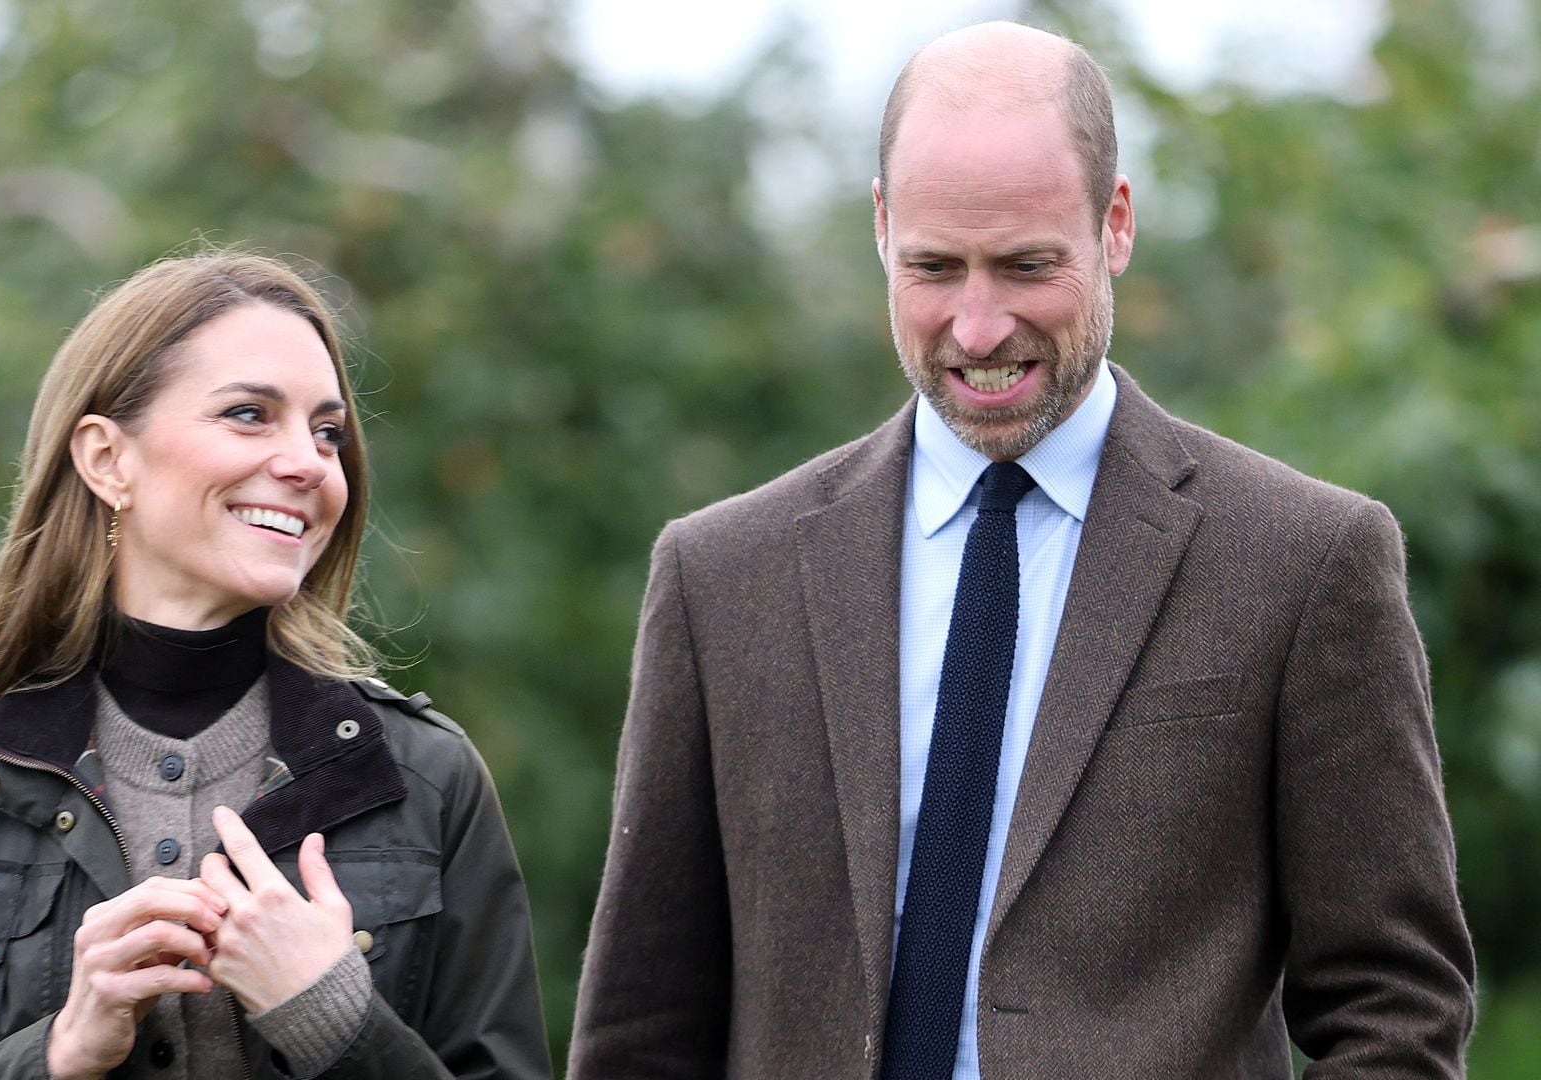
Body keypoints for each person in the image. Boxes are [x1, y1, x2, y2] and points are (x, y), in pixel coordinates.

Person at [568, 21, 1473, 1080]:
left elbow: (1396, 1010)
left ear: (1116, 224)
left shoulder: (1307, 561)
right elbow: (640, 1028)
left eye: (1028, 265)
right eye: (934, 267)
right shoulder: (720, 577)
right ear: (879, 225)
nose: (980, 325)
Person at [0, 252, 550, 1079]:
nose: (310, 463)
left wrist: (335, 1021)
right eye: (249, 414)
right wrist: (58, 1053)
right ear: (107, 459)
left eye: (326, 432)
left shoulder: (426, 778)